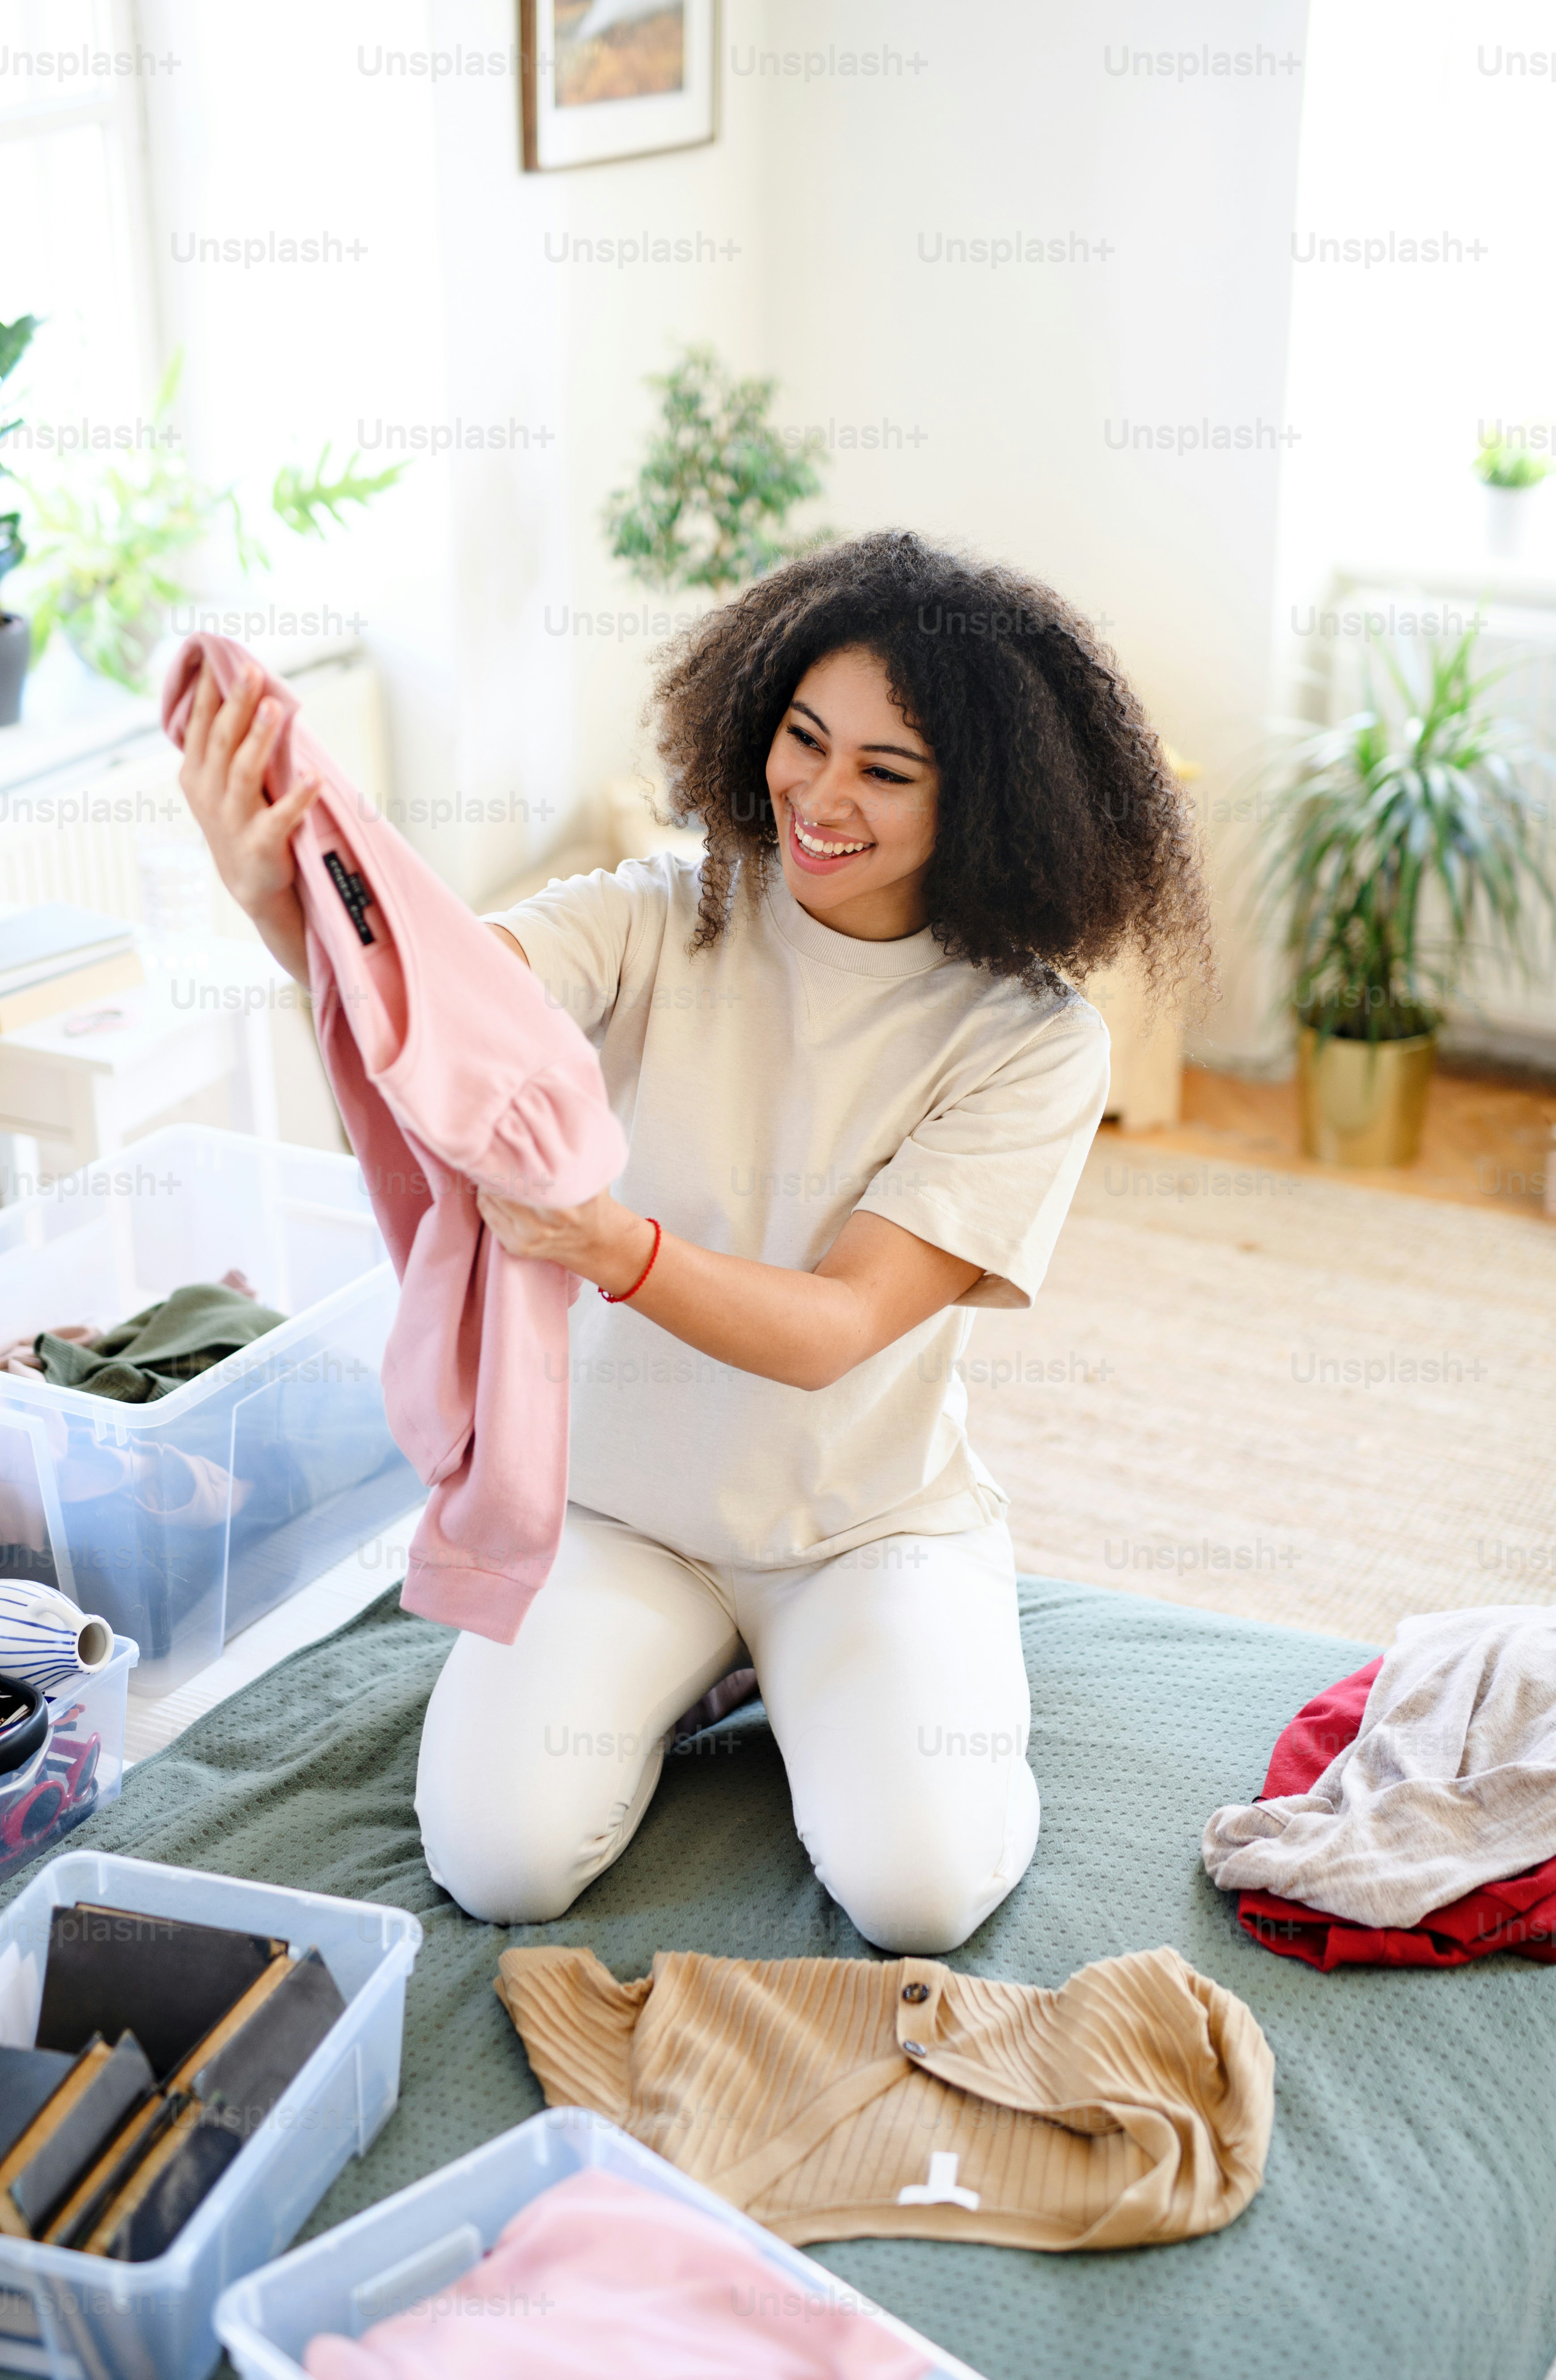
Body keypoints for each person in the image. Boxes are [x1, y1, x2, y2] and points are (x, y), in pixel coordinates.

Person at [179, 531, 1210, 1953]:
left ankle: (860, 1676)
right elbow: (437, 1005)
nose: (822, 795)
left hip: (859, 1530)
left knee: (919, 1893)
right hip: (618, 1514)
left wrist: (612, 1245)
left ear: (985, 810)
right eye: (804, 738)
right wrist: (278, 895)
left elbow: (838, 1326)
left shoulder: (1031, 1041)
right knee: (499, 1864)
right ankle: (711, 1678)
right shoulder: (663, 912)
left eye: (886, 772)